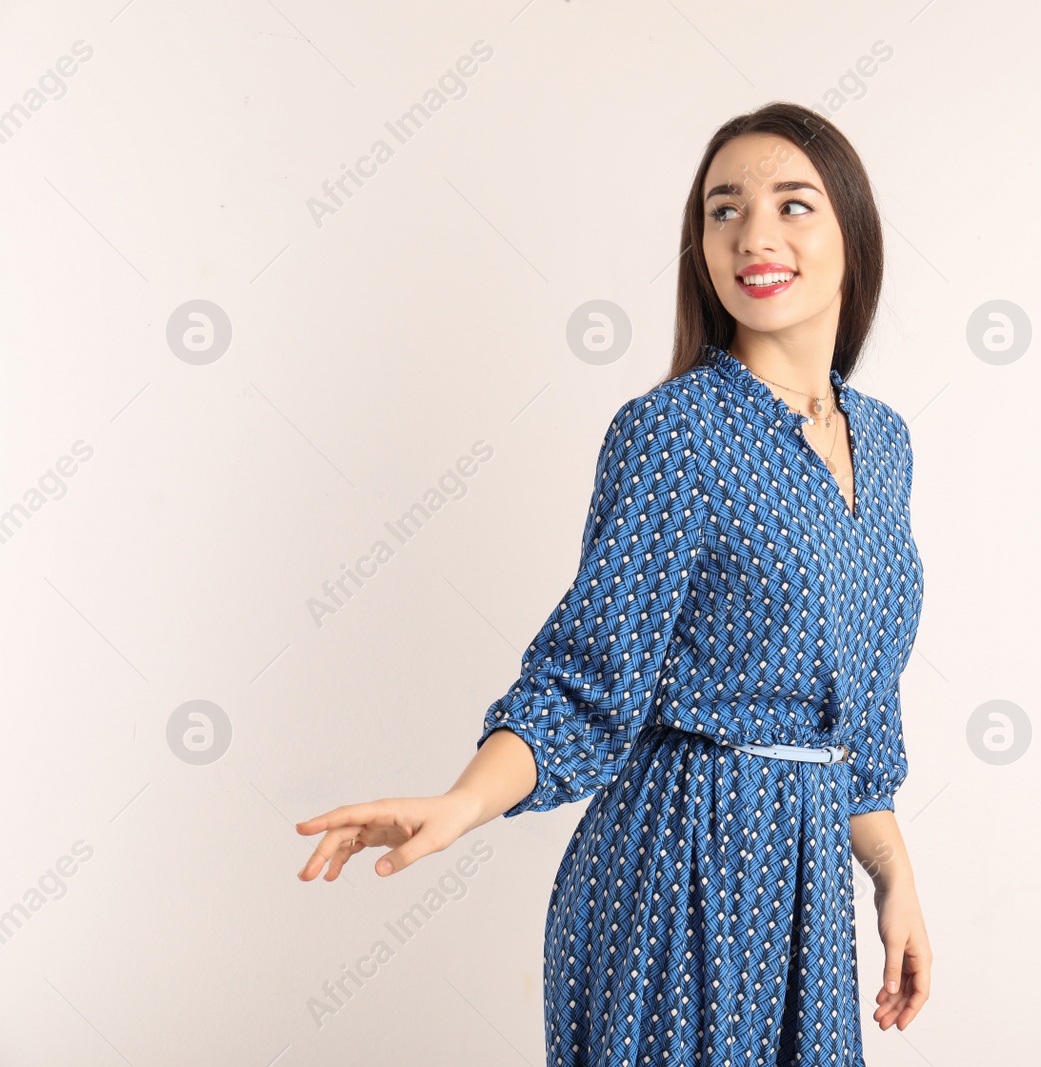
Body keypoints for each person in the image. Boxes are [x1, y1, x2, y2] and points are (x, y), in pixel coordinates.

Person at [296, 101, 931, 1065]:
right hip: (680, 874)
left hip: (807, 895)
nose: (754, 234)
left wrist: (894, 881)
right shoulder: (674, 432)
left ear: (855, 231)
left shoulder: (883, 446)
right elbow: (589, 674)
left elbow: (854, 714)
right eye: (724, 209)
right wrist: (464, 801)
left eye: (793, 205)